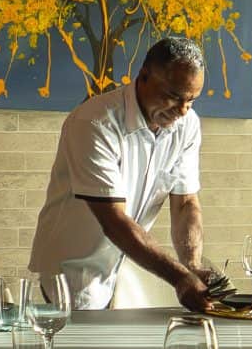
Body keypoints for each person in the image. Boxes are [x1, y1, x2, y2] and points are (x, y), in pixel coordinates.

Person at [28, 36, 212, 311]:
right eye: (174, 96)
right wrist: (180, 278)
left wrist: (193, 265)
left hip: (124, 261)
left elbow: (185, 203)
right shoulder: (94, 122)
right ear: (145, 76)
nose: (183, 110)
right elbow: (114, 220)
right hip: (75, 268)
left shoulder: (187, 124)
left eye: (191, 100)